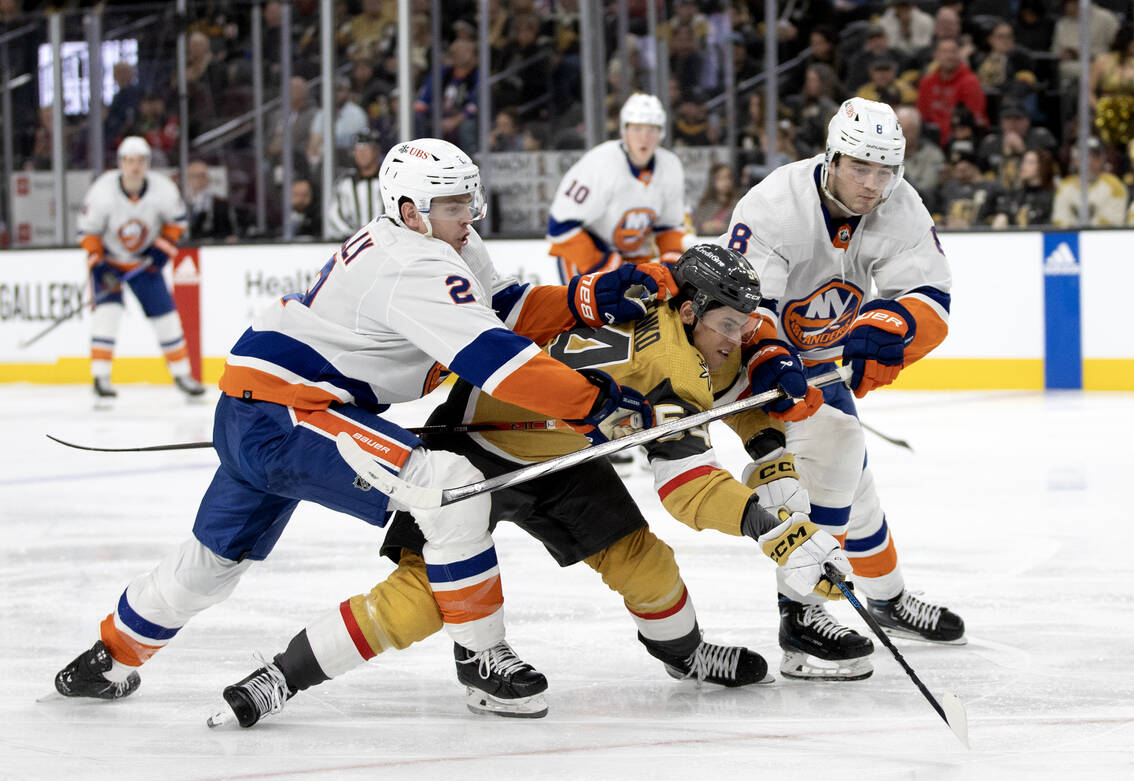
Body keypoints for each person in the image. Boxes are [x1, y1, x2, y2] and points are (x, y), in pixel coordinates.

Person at [53, 138, 674, 717]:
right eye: (455, 203)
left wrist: (590, 296)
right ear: (409, 210)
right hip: (288, 416)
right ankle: (482, 657)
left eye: (470, 198)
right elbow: (497, 360)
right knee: (450, 487)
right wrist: (596, 404)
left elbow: (502, 310)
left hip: (262, 405)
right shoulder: (413, 264)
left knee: (212, 563)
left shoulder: (443, 244)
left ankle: (107, 659)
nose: (470, 214)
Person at [207, 244, 849, 728]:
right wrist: (773, 526)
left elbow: (736, 356)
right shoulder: (674, 365)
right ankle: (279, 678)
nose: (738, 338)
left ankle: (686, 655)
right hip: (468, 451)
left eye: (745, 325)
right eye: (731, 326)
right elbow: (687, 487)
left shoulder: (673, 308)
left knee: (644, 564)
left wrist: (766, 350)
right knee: (420, 600)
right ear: (689, 311)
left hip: (562, 458)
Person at [724, 97, 965, 681]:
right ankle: (802, 621)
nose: (873, 184)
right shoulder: (774, 205)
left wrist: (896, 325)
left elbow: (929, 294)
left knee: (854, 485)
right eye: (861, 167)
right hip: (748, 359)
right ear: (831, 157)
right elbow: (740, 311)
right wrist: (775, 359)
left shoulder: (899, 202)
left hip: (819, 362)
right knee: (829, 459)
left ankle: (885, 598)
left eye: (886, 171)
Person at [77, 135, 204, 402]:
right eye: (130, 161)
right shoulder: (102, 191)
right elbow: (88, 233)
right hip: (109, 262)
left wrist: (160, 251)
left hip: (144, 264)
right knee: (107, 315)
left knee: (166, 317)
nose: (135, 166)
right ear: (121, 163)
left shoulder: (163, 189)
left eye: (140, 161)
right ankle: (100, 377)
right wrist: (99, 267)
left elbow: (176, 223)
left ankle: (182, 375)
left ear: (147, 163)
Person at [547, 93, 686, 283]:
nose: (644, 137)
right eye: (637, 129)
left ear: (661, 133)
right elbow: (560, 226)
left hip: (633, 259)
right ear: (624, 131)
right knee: (585, 312)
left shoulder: (670, 166)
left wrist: (672, 269)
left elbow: (669, 227)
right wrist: (607, 266)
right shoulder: (600, 163)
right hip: (587, 256)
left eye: (652, 130)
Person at [1051, 136, 1128, 227]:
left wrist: (1086, 233)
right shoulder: (1065, 186)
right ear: (1075, 160)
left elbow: (1112, 221)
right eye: (1083, 156)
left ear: (1102, 159)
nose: (1089, 161)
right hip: (1071, 239)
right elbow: (1059, 220)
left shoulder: (1114, 185)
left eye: (1095, 156)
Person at [326, 130, 385, 238]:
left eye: (366, 148)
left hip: (387, 241)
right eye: (357, 149)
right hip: (353, 244)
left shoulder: (388, 180)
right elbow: (335, 215)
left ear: (376, 151)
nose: (361, 153)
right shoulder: (345, 183)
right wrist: (353, 236)